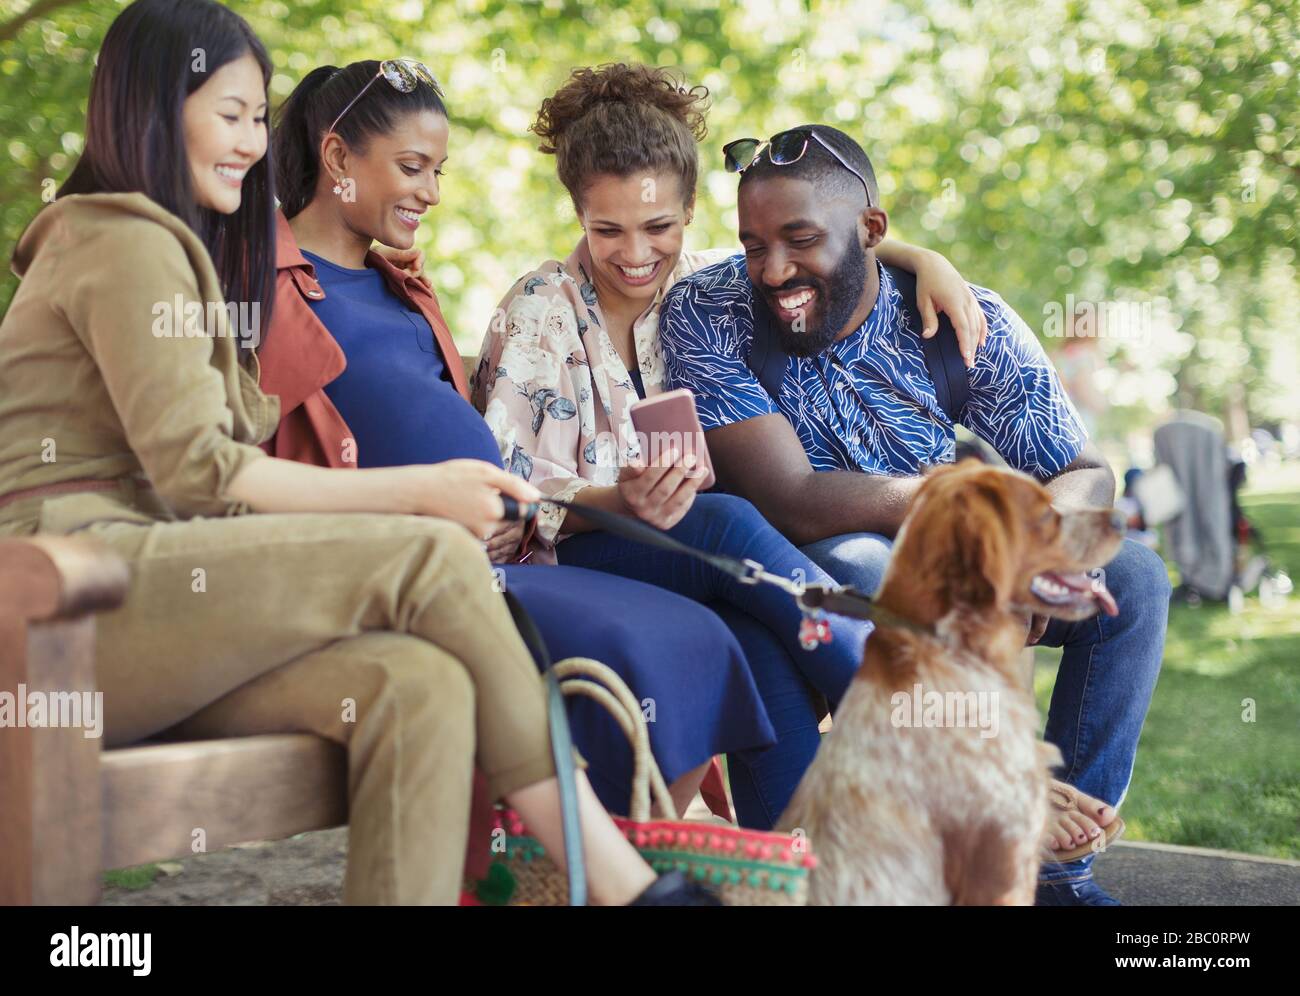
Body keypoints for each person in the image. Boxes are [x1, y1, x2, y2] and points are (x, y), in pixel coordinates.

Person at [0, 0, 714, 906]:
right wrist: (427, 492)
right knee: (429, 554)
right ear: (151, 103)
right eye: (229, 114)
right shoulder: (124, 237)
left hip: (152, 599)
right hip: (64, 600)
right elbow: (203, 474)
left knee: (416, 689)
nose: (253, 142)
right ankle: (617, 882)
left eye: (260, 118)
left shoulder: (179, 251)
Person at [658, 123, 1171, 905]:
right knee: (870, 564)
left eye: (799, 239)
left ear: (872, 231)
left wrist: (1031, 556)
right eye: (754, 244)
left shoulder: (961, 320)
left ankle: (1058, 870)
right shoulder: (709, 311)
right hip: (824, 567)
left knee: (1133, 578)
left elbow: (1083, 472)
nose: (772, 268)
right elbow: (790, 502)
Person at [256, 58, 776, 819]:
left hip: (498, 546)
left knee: (700, 640)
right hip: (418, 565)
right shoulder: (263, 283)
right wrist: (448, 513)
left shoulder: (400, 284)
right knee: (674, 635)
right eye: (413, 167)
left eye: (437, 170)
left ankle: (619, 873)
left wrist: (908, 255)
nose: (431, 192)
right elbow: (247, 453)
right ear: (338, 158)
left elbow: (794, 254)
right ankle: (614, 877)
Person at [475, 64, 987, 829]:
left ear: (690, 213)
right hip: (577, 556)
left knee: (761, 642)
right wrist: (620, 501)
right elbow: (502, 496)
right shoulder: (542, 308)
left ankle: (791, 868)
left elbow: (834, 244)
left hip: (699, 560)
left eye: (660, 228)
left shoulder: (710, 286)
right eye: (606, 229)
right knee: (726, 520)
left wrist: (923, 261)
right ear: (578, 214)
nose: (636, 254)